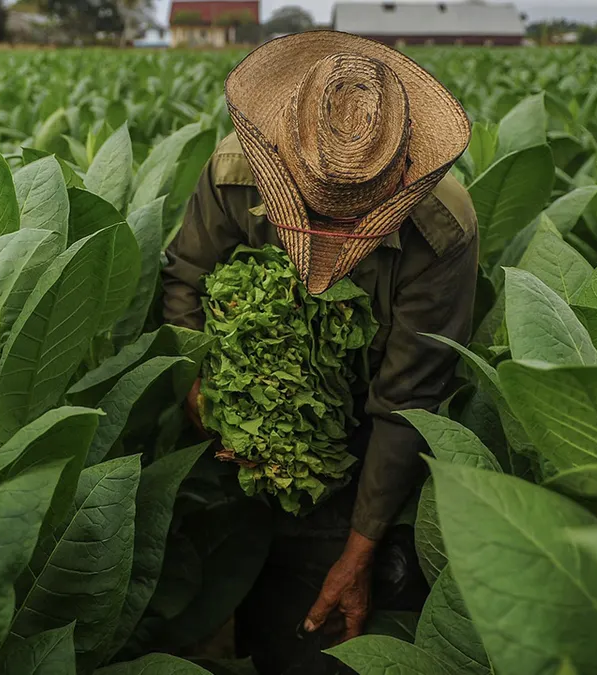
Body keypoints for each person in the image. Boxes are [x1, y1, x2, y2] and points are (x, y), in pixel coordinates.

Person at [160, 31, 478, 674]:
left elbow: (406, 403)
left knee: (322, 640)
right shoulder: (233, 174)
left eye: (351, 219)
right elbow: (184, 285)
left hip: (360, 447)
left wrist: (358, 551)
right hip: (240, 438)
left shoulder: (441, 231)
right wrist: (197, 391)